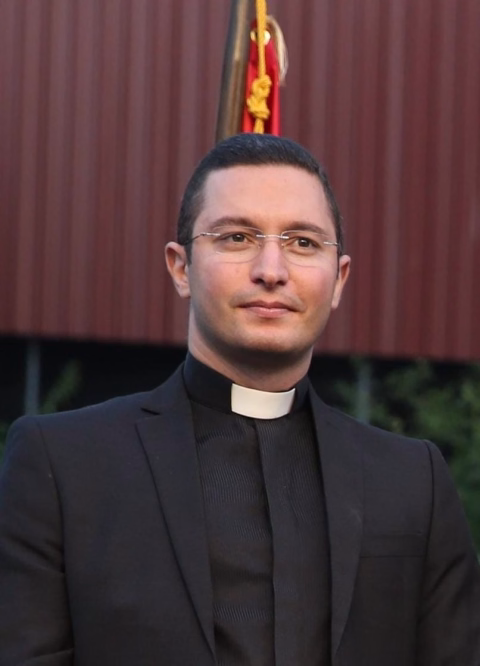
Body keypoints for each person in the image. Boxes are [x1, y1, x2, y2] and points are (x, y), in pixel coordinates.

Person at [0, 133, 479, 666]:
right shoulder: (64, 465)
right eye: (237, 237)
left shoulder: (413, 481)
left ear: (339, 279)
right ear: (180, 267)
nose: (271, 270)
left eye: (303, 242)